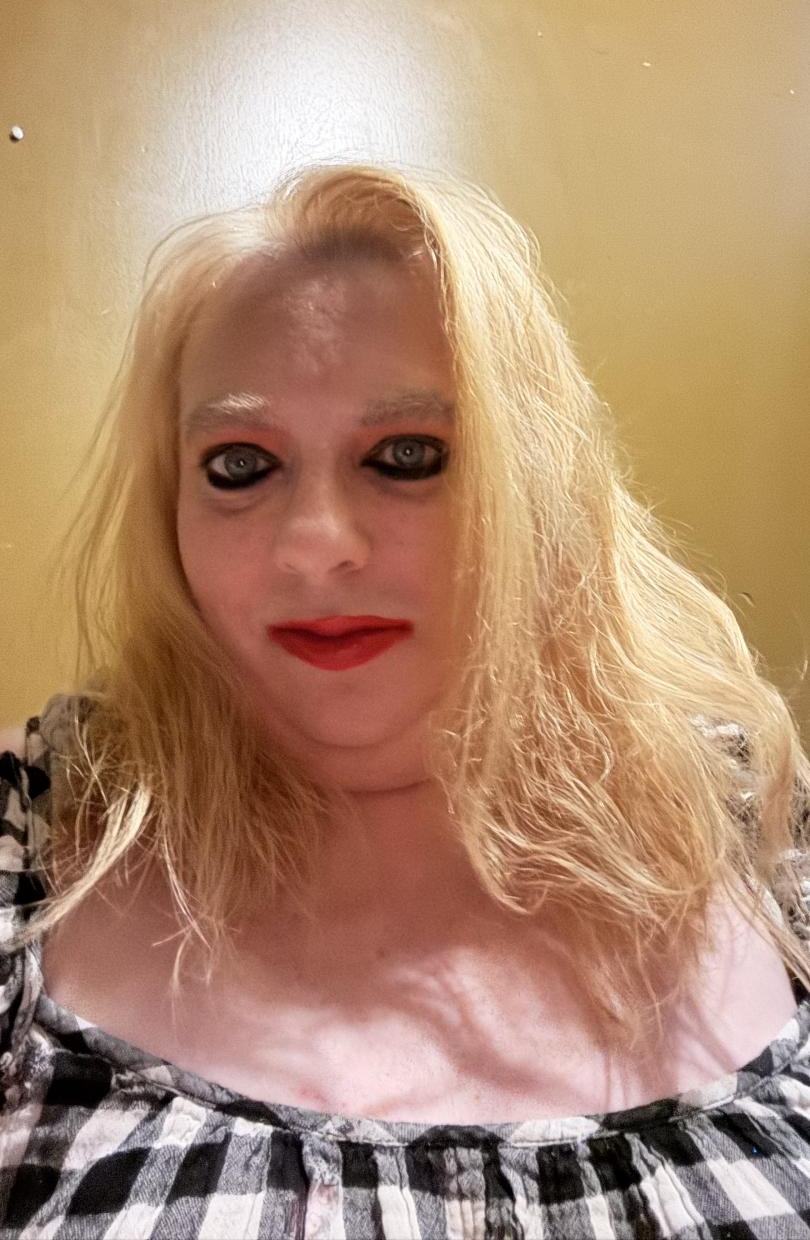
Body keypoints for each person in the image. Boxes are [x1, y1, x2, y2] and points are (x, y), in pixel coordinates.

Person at [1, 161, 809, 1238]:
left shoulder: (760, 823)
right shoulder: (36, 834)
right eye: (239, 465)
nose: (318, 545)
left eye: (408, 456)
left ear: (537, 490)